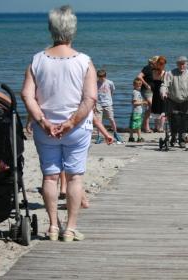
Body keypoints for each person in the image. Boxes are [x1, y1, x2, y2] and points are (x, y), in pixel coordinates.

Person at [21, 5, 97, 242]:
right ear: (72, 29)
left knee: (50, 177)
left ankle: (53, 226)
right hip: (76, 128)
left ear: (51, 29)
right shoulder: (84, 61)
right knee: (75, 177)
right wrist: (72, 122)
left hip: (47, 129)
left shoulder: (37, 60)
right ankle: (70, 228)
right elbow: (90, 98)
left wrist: (42, 121)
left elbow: (27, 95)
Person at [160, 56, 188, 148]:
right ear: (177, 64)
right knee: (173, 119)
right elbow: (164, 85)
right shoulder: (170, 73)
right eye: (180, 64)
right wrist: (163, 92)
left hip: (186, 101)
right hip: (173, 100)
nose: (182, 65)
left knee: (184, 121)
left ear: (186, 64)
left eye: (183, 64)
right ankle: (173, 137)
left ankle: (181, 140)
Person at [95, 69, 123, 144]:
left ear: (105, 76)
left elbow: (112, 91)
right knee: (98, 121)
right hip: (98, 103)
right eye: (100, 77)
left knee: (111, 118)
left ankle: (115, 133)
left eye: (103, 76)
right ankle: (99, 136)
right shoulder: (96, 83)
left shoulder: (110, 83)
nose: (101, 78)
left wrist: (110, 99)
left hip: (108, 103)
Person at [137, 56, 159, 133]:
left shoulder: (156, 69)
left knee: (150, 108)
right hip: (146, 90)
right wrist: (146, 84)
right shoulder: (147, 68)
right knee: (150, 105)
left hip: (153, 91)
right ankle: (146, 127)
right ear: (153, 62)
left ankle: (145, 126)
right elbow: (139, 76)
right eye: (157, 62)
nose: (159, 64)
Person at [150, 56, 167, 132]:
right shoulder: (164, 73)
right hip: (161, 93)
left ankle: (156, 127)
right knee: (162, 110)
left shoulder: (153, 71)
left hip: (155, 93)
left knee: (155, 110)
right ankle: (161, 127)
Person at [128, 78, 147, 142]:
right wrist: (143, 102)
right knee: (138, 126)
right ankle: (139, 138)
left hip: (136, 112)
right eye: (138, 85)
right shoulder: (136, 92)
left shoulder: (137, 92)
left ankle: (131, 137)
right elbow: (134, 103)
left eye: (140, 85)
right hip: (137, 112)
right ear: (134, 85)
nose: (139, 86)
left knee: (132, 125)